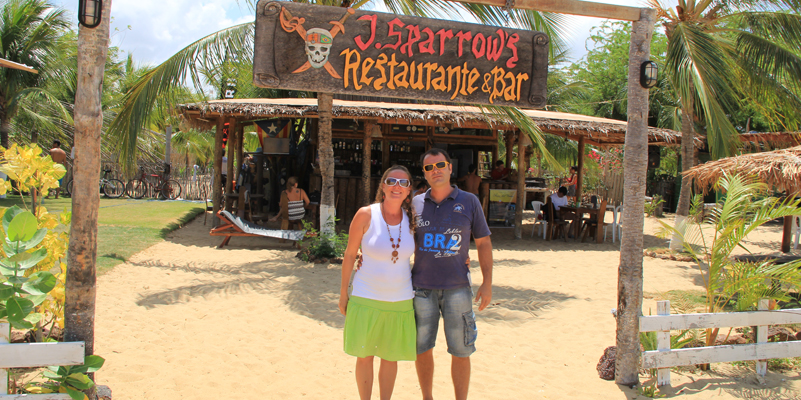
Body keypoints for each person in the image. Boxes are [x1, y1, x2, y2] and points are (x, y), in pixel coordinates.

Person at [411, 149, 493, 400]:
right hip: (421, 288)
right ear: (424, 174)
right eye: (429, 167)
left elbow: (483, 243)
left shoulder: (469, 201)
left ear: (449, 168)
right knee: (422, 348)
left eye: (440, 165)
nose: (435, 170)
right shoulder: (414, 203)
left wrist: (487, 283)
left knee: (461, 350)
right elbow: (399, 239)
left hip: (458, 288)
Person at [339, 165, 418, 400]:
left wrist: (462, 258)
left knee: (390, 357)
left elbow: (426, 252)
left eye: (403, 183)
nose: (397, 186)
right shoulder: (366, 214)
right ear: (383, 186)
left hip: (400, 299)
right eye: (391, 181)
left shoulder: (413, 219)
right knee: (364, 356)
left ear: (409, 190)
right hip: (366, 296)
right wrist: (343, 293)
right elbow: (350, 255)